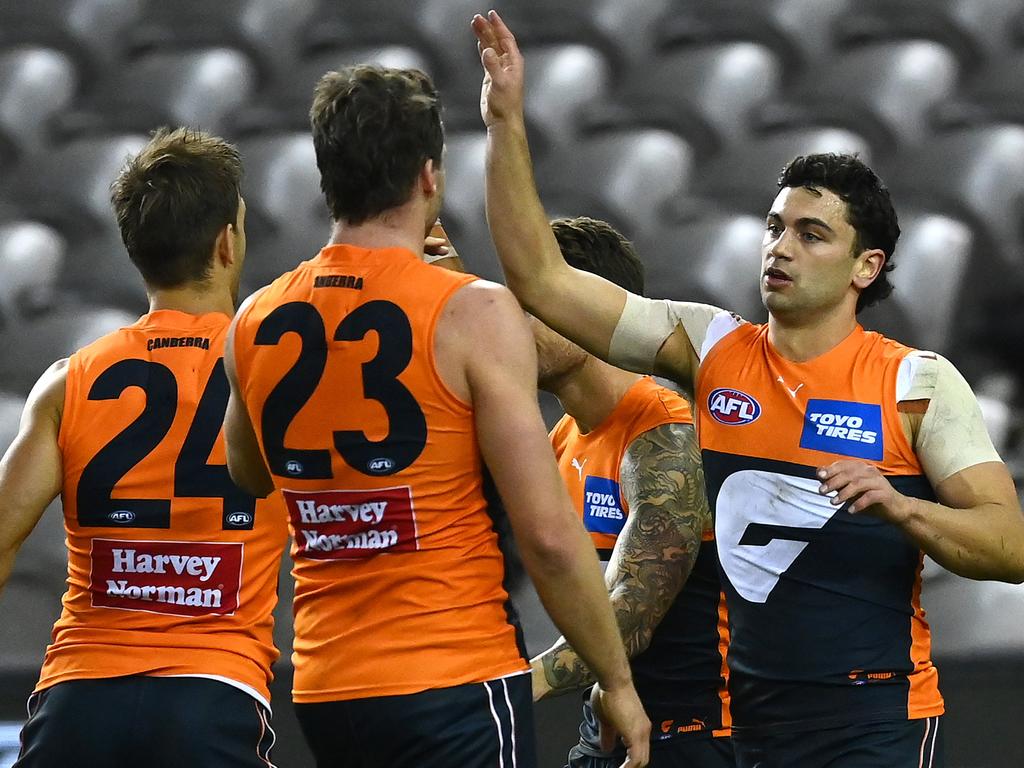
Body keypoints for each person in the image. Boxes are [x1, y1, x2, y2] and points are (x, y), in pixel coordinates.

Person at [472, 10, 1024, 768]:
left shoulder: (917, 383)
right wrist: (506, 121)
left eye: (811, 234)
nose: (780, 248)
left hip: (873, 718)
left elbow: (1010, 547)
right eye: (774, 227)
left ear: (867, 268)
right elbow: (542, 279)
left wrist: (904, 506)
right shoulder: (712, 349)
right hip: (751, 726)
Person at [222, 65, 650, 768]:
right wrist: (617, 680)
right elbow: (546, 535)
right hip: (453, 676)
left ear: (326, 175)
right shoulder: (472, 313)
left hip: (326, 687)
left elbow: (247, 474)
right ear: (429, 175)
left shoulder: (257, 317)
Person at [0, 127, 287, 767]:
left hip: (78, 699)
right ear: (227, 242)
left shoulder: (65, 382)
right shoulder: (277, 379)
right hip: (213, 691)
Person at [529, 216, 734, 768]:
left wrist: (506, 690)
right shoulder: (562, 437)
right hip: (609, 729)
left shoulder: (666, 430)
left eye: (533, 302)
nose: (512, 323)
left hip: (697, 735)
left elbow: (631, 612)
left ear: (586, 312)